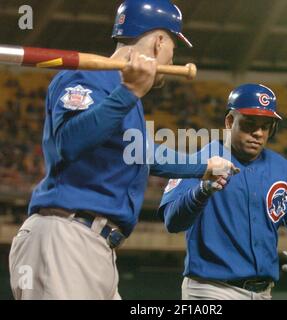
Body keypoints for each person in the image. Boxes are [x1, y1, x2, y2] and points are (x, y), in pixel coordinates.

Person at [9, 0, 236, 300]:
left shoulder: (126, 93)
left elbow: (142, 153)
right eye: (172, 45)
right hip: (65, 237)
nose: (172, 54)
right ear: (158, 42)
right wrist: (128, 93)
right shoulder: (86, 76)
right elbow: (68, 143)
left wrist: (203, 166)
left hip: (97, 248)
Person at [158, 83, 287, 300]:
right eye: (249, 124)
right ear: (229, 121)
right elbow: (172, 221)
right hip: (212, 290)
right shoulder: (200, 161)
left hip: (264, 292)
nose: (258, 133)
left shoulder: (284, 170)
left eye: (266, 126)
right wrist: (202, 191)